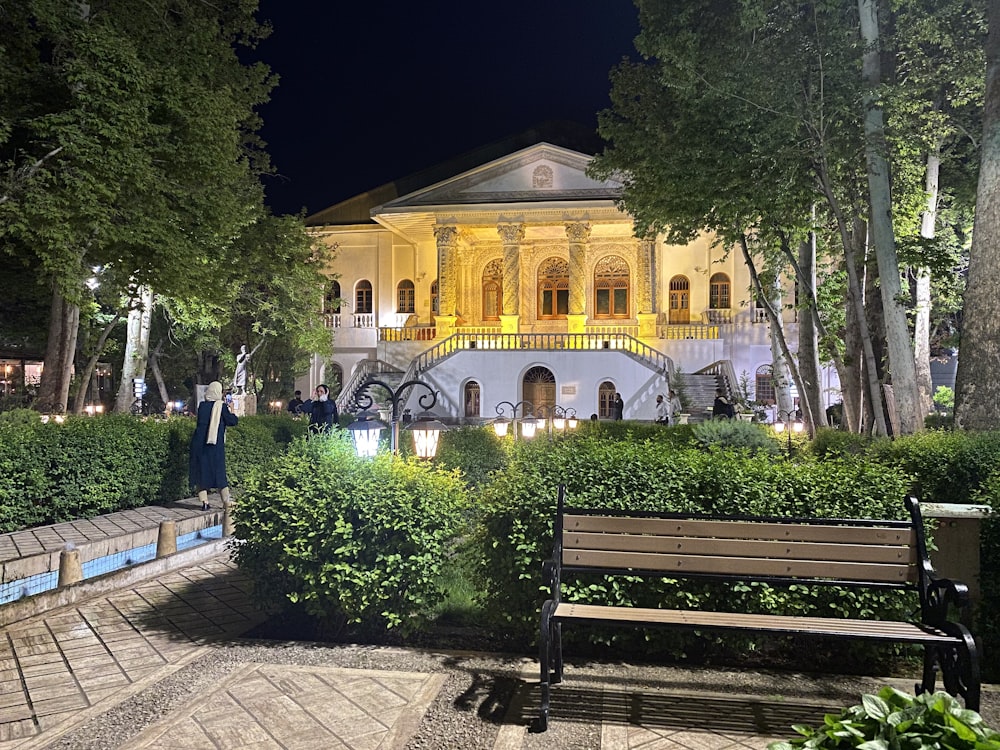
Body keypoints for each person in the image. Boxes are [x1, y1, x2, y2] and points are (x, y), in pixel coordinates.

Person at [189, 381, 238, 511]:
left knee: (202, 473)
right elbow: (232, 421)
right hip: (215, 445)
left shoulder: (202, 406)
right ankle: (226, 502)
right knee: (219, 473)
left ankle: (205, 502)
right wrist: (232, 409)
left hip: (199, 444)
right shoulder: (221, 407)